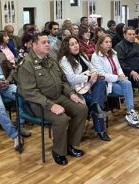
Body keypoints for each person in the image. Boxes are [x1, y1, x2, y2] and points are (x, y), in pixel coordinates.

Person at [16, 34, 88, 166]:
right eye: (44, 42)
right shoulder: (27, 64)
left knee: (81, 109)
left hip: (58, 96)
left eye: (48, 42)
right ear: (34, 45)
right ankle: (58, 152)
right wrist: (50, 105)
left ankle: (70, 145)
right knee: (62, 119)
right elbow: (29, 92)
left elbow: (63, 81)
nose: (48, 44)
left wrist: (71, 93)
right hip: (39, 103)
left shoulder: (51, 59)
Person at [59, 36, 112, 139]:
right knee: (95, 100)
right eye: (72, 44)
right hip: (76, 90)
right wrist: (88, 77)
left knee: (101, 83)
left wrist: (94, 74)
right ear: (67, 47)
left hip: (90, 85)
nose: (75, 46)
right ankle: (100, 130)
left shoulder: (82, 55)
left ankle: (95, 107)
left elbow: (93, 69)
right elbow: (72, 79)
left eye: (76, 43)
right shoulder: (64, 59)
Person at [91, 34, 139, 125]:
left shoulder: (112, 52)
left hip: (118, 78)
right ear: (100, 44)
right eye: (106, 42)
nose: (109, 44)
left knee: (128, 83)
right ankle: (131, 113)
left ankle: (130, 111)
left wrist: (121, 75)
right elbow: (101, 74)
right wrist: (117, 77)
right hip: (107, 83)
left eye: (110, 42)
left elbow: (118, 67)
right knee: (128, 90)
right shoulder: (96, 56)